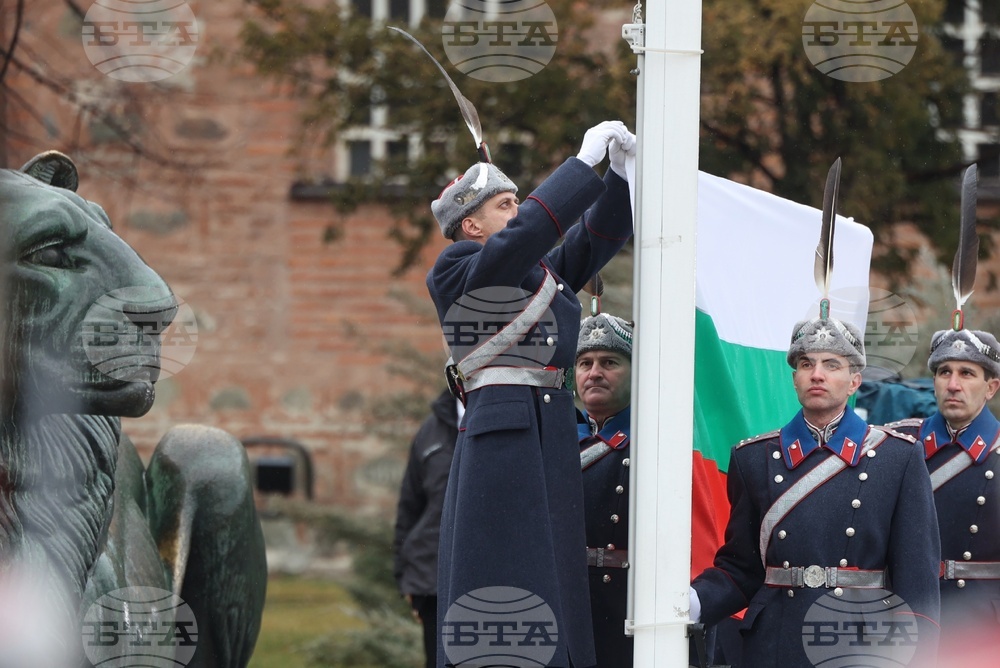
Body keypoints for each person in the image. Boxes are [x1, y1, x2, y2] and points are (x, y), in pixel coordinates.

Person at [426, 120, 635, 668]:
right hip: (506, 437)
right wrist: (579, 164)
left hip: (545, 431)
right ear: (470, 224)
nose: (517, 211)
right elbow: (515, 247)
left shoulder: (535, 273)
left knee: (554, 580)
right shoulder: (456, 269)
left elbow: (598, 237)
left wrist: (619, 177)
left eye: (519, 201)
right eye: (504, 204)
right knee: (507, 569)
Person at [690, 316, 941, 668]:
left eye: (831, 364)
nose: (817, 374)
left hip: (861, 642)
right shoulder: (752, 458)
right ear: (794, 379)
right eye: (806, 364)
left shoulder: (897, 457)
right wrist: (694, 600)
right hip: (775, 644)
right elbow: (742, 567)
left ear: (855, 381)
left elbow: (917, 581)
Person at [884, 328, 1000, 665]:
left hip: (979, 621)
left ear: (990, 387)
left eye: (967, 373)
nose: (953, 384)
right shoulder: (895, 443)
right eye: (944, 372)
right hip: (904, 613)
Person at [575, 313, 634, 668]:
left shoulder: (657, 436)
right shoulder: (551, 437)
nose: (593, 372)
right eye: (585, 363)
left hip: (628, 603)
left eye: (609, 362)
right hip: (571, 599)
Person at [393, 388, 462, 668]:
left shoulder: (512, 421)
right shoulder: (430, 431)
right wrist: (405, 578)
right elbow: (409, 507)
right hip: (432, 584)